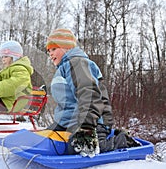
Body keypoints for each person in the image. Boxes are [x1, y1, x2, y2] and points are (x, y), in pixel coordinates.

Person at [45, 28, 140, 157]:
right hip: (67, 122)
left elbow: (89, 94)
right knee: (45, 142)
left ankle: (121, 141)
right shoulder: (64, 67)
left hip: (91, 122)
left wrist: (86, 127)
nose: (50, 53)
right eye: (48, 50)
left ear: (66, 47)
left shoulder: (77, 63)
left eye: (54, 49)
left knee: (84, 148)